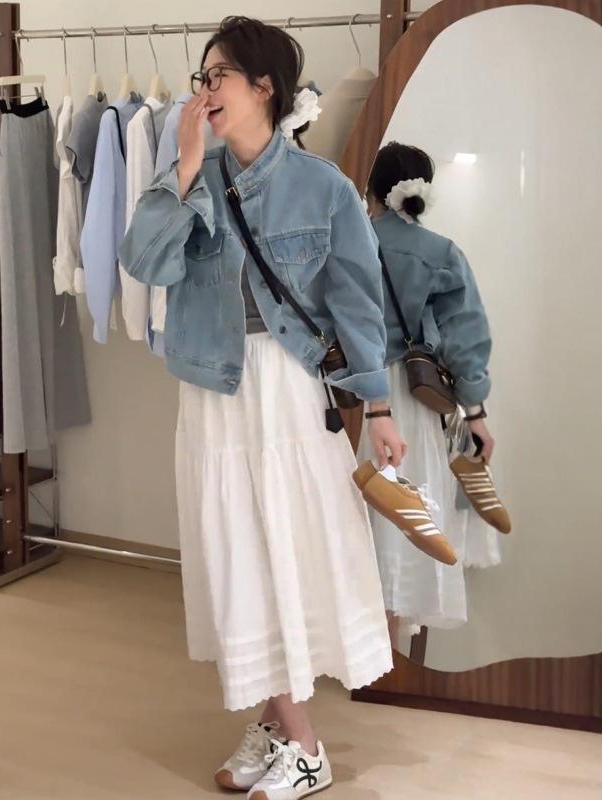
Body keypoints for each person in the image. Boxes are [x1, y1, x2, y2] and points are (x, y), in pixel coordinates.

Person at [120, 17, 405, 799]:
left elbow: (358, 305)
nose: (203, 90)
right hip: (213, 390)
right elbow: (142, 260)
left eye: (218, 75)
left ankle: (305, 744)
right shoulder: (190, 170)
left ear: (264, 86)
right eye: (201, 76)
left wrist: (379, 407)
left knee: (284, 547)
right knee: (237, 552)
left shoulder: (323, 187)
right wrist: (182, 171)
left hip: (284, 391)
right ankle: (279, 726)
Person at [361, 141, 500, 647]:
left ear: (372, 190)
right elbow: (466, 339)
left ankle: (355, 651)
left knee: (352, 520)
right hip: (412, 398)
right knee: (405, 519)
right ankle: (390, 655)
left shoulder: (350, 239)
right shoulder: (441, 252)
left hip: (351, 395)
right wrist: (476, 413)